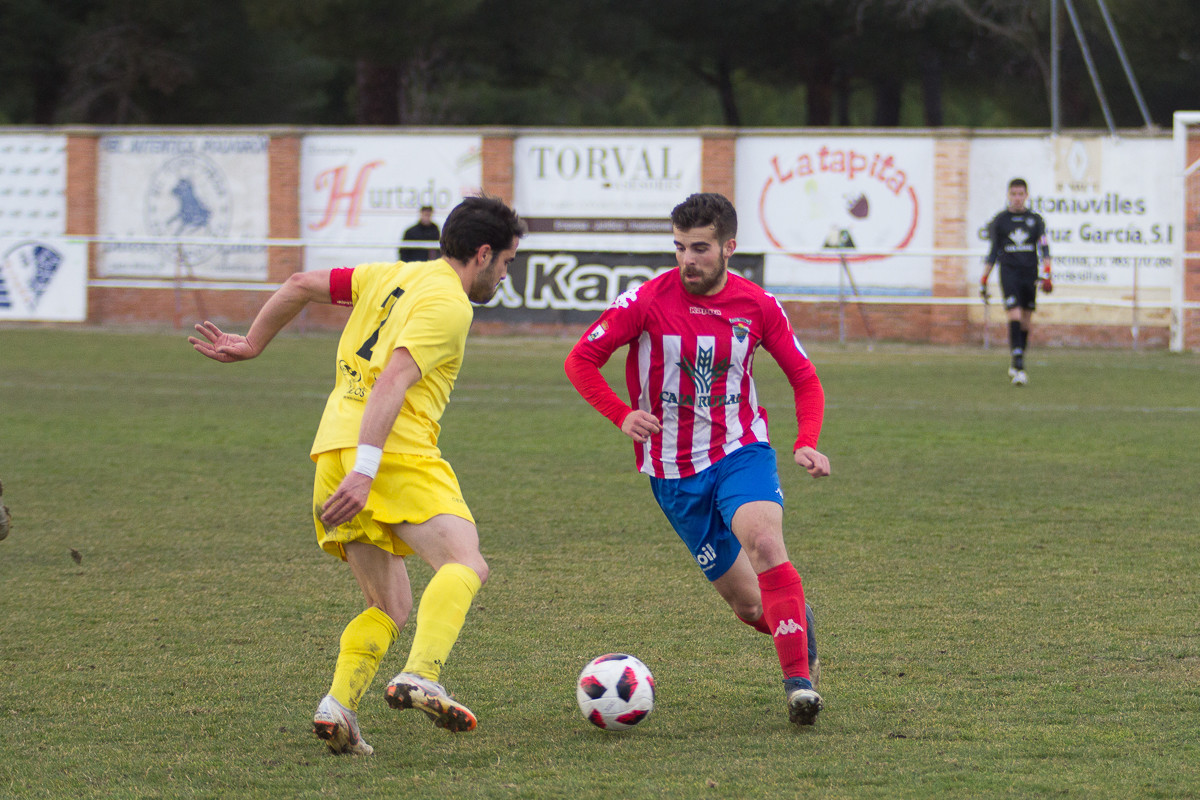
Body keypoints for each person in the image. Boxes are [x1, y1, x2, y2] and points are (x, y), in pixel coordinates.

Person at [190, 195, 524, 755]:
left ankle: (338, 706)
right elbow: (393, 380)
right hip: (390, 450)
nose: (505, 275)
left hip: (331, 450)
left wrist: (252, 343)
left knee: (388, 605)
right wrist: (369, 471)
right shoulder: (449, 303)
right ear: (483, 253)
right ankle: (422, 673)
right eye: (508, 262)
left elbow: (298, 283)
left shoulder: (389, 276)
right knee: (466, 563)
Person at [564, 192, 829, 727]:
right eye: (680, 247)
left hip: (740, 450)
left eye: (701, 248)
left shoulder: (758, 305)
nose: (689, 259)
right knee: (749, 606)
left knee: (765, 542)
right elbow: (581, 359)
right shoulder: (643, 300)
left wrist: (807, 438)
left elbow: (803, 376)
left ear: (729, 247)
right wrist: (621, 415)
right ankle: (796, 622)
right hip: (671, 472)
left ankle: (799, 684)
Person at [981, 178, 1053, 386]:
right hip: (1009, 273)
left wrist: (1047, 273)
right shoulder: (1000, 221)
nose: (1017, 198)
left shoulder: (1036, 220)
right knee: (1014, 313)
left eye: (1021, 194)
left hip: (1030, 273)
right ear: (1008, 195)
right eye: (1013, 194)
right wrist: (984, 279)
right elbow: (993, 252)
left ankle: (1017, 359)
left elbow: (1044, 248)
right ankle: (1019, 365)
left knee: (1026, 320)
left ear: (1026, 196)